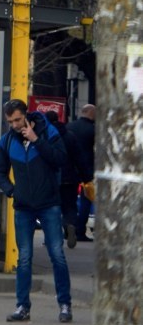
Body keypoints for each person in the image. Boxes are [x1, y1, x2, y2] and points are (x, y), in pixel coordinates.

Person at [0, 99, 72, 323]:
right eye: (10, 121)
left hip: (49, 203)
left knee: (57, 254)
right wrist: (12, 191)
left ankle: (65, 304)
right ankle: (22, 306)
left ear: (26, 114)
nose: (15, 125)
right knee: (24, 257)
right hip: (24, 206)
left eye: (18, 119)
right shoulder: (7, 141)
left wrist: (36, 140)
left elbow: (61, 159)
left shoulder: (49, 132)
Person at [45, 110, 85, 248]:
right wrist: (85, 176)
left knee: (52, 207)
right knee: (70, 206)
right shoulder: (70, 136)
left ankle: (53, 236)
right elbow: (79, 157)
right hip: (70, 178)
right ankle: (70, 224)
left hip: (52, 177)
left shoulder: (45, 135)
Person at [66, 104, 96, 242]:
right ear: (91, 113)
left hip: (70, 169)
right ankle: (80, 231)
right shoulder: (93, 130)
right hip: (87, 170)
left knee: (69, 201)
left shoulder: (69, 127)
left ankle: (67, 228)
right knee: (86, 200)